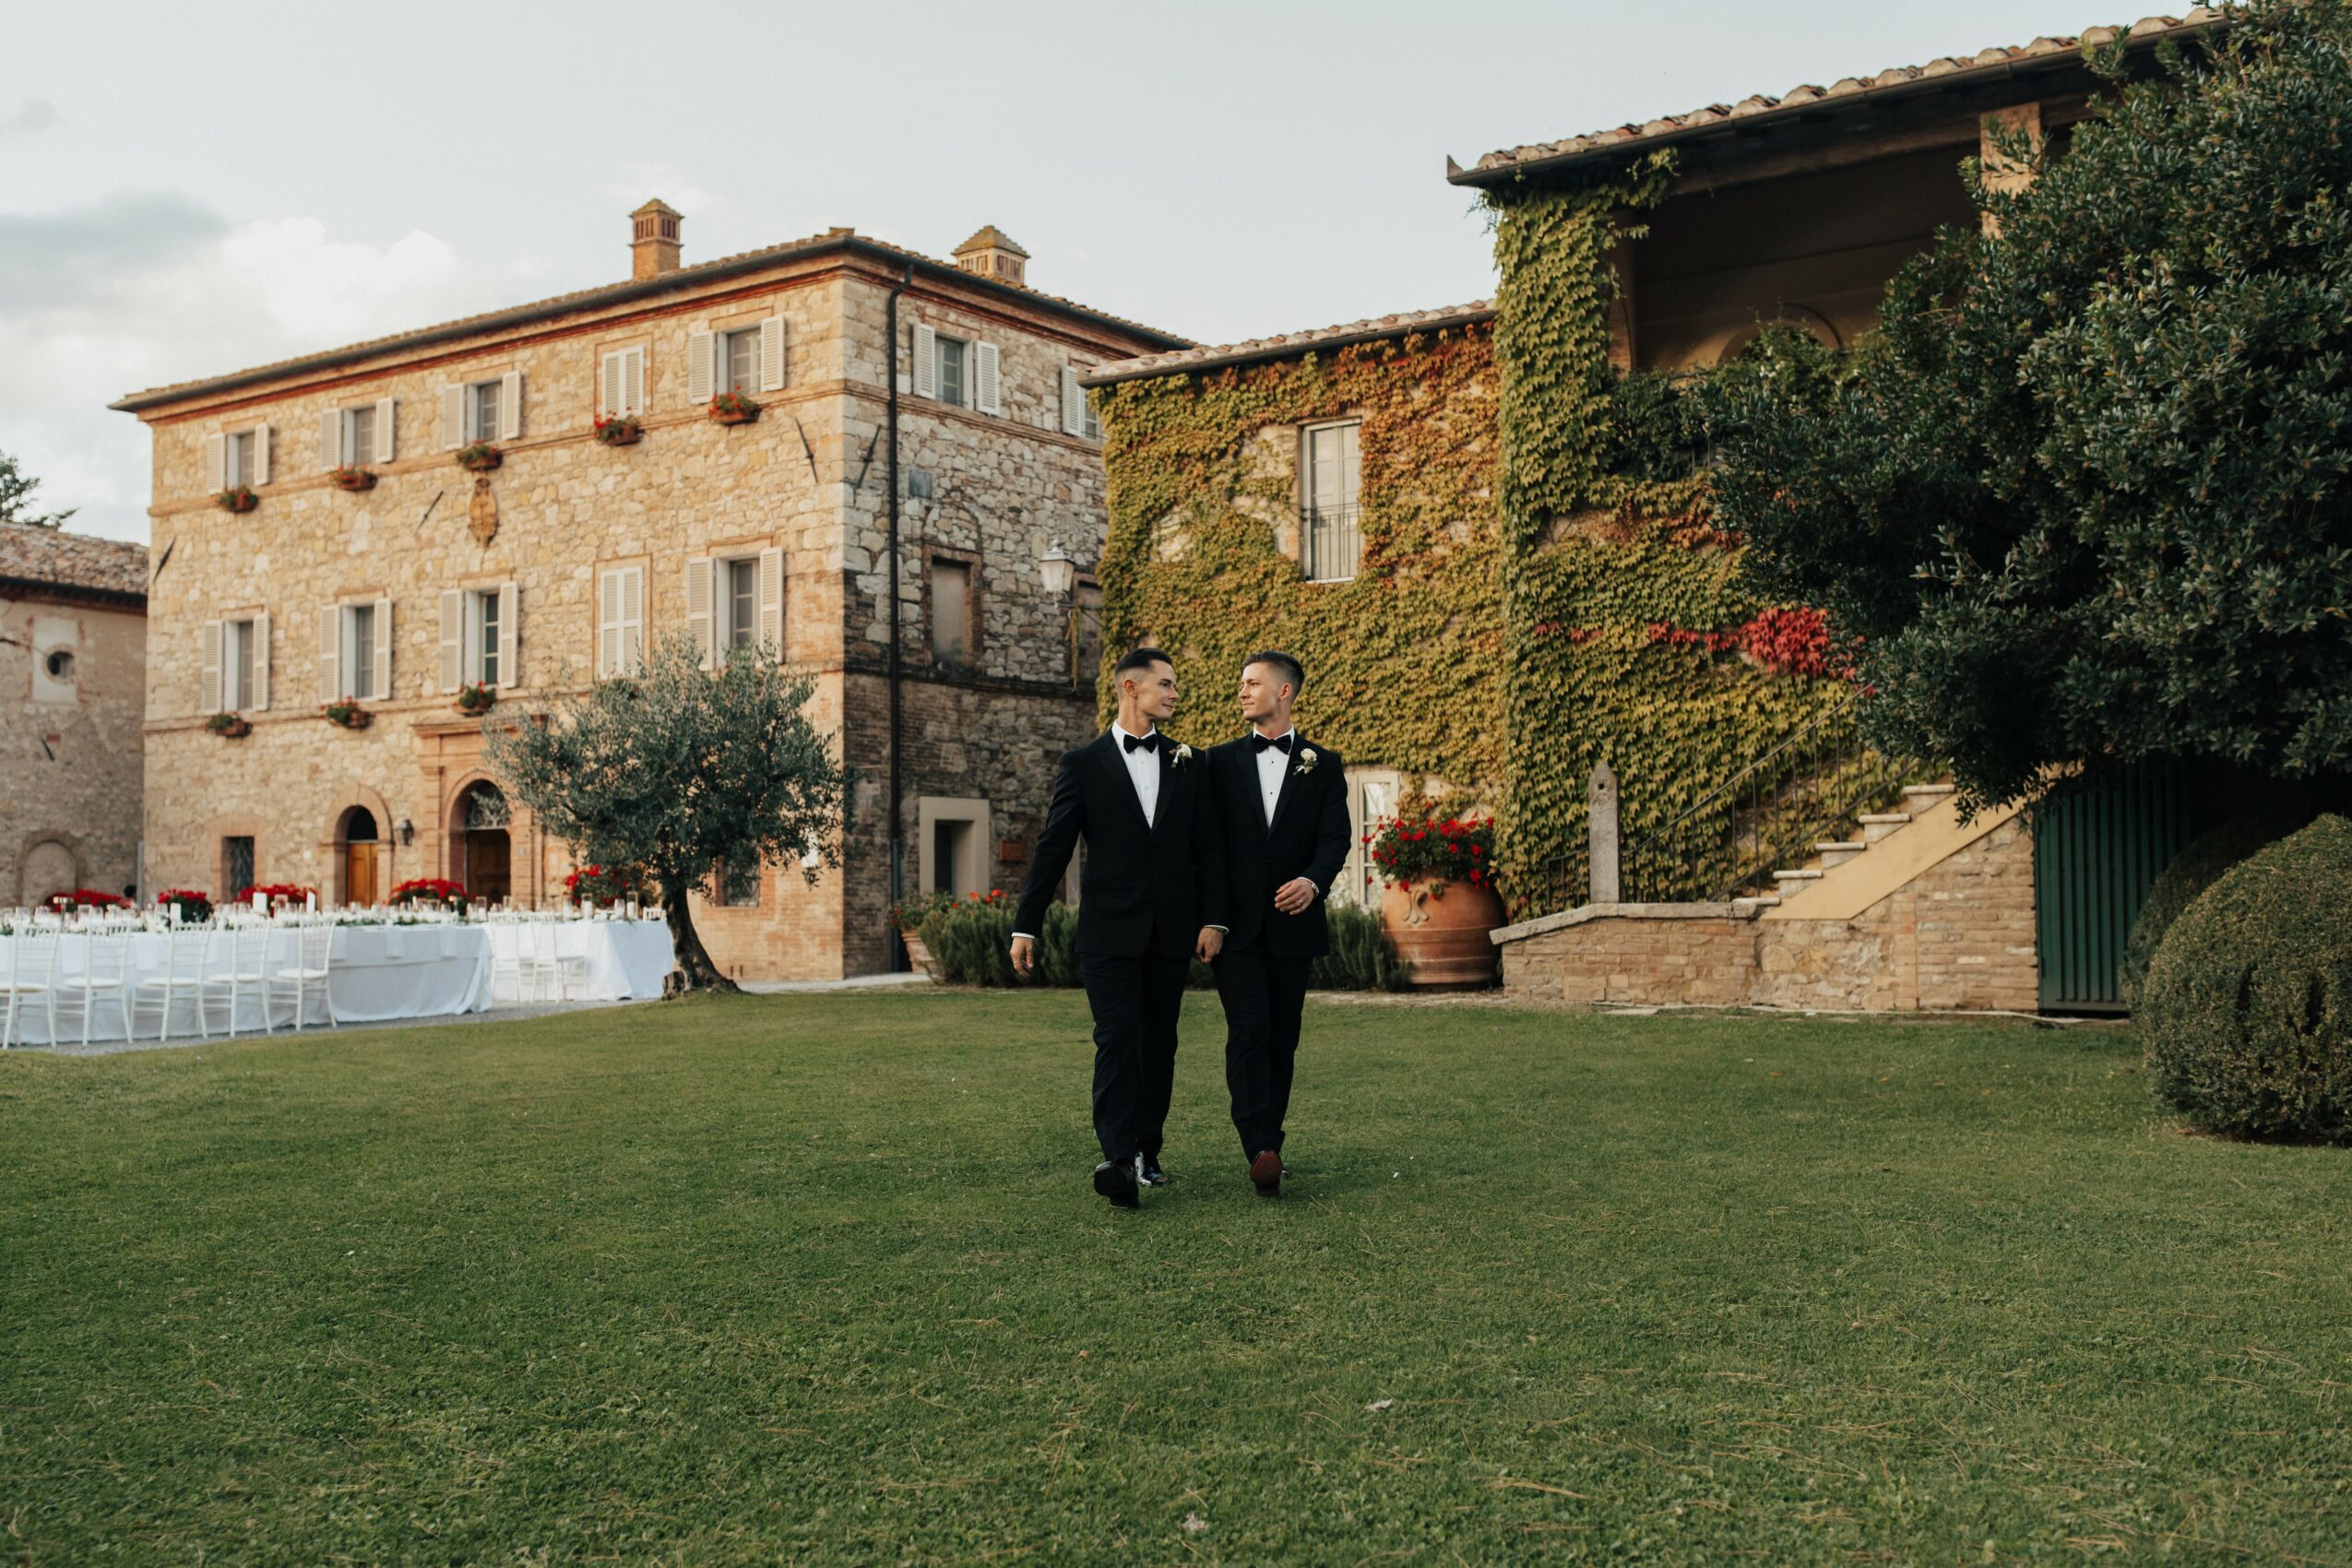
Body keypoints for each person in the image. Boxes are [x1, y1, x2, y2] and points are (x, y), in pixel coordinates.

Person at [1011, 648, 1227, 1209]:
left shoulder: (1189, 762)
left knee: (1159, 1043)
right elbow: (1053, 847)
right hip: (1107, 933)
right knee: (1116, 1038)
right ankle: (1116, 1158)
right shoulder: (1083, 764)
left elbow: (1208, 848)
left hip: (1170, 933)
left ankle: (1147, 1151)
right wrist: (1025, 925)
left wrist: (1213, 919)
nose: (1175, 693)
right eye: (1166, 683)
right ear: (1131, 687)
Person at [1205, 651, 1350, 1197]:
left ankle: (1271, 1143)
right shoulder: (1218, 763)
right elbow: (1208, 847)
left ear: (1284, 691)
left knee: (1282, 1038)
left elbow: (1336, 838)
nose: (1242, 692)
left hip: (1295, 927)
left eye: (1252, 683)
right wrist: (1211, 919)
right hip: (1235, 930)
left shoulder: (1323, 764)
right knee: (1249, 1031)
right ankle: (1260, 1147)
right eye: (1241, 683)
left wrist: (1313, 881)